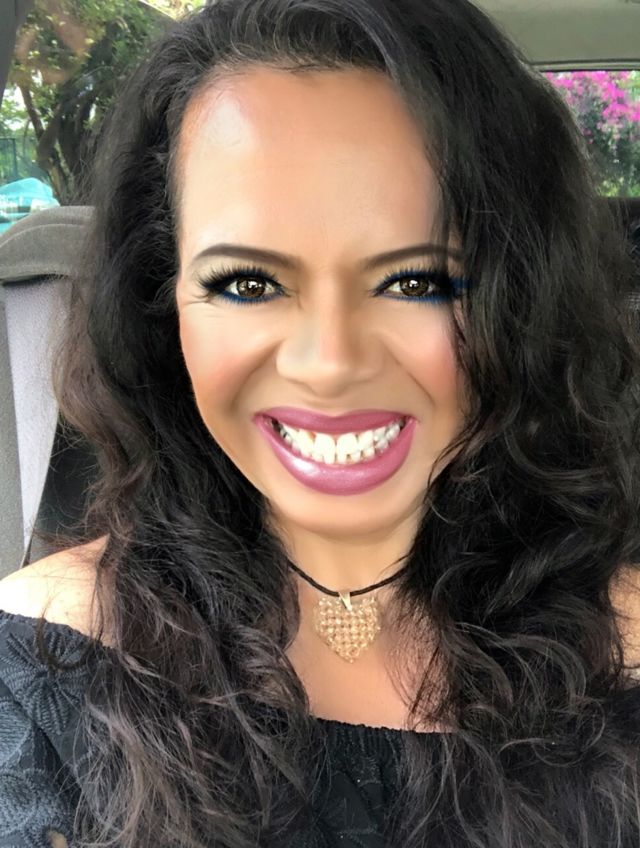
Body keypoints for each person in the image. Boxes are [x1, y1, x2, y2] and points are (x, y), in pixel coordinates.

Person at [1, 0, 640, 845]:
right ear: (164, 304)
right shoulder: (37, 663)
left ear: (519, 303)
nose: (330, 363)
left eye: (416, 282)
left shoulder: (623, 652)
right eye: (249, 284)